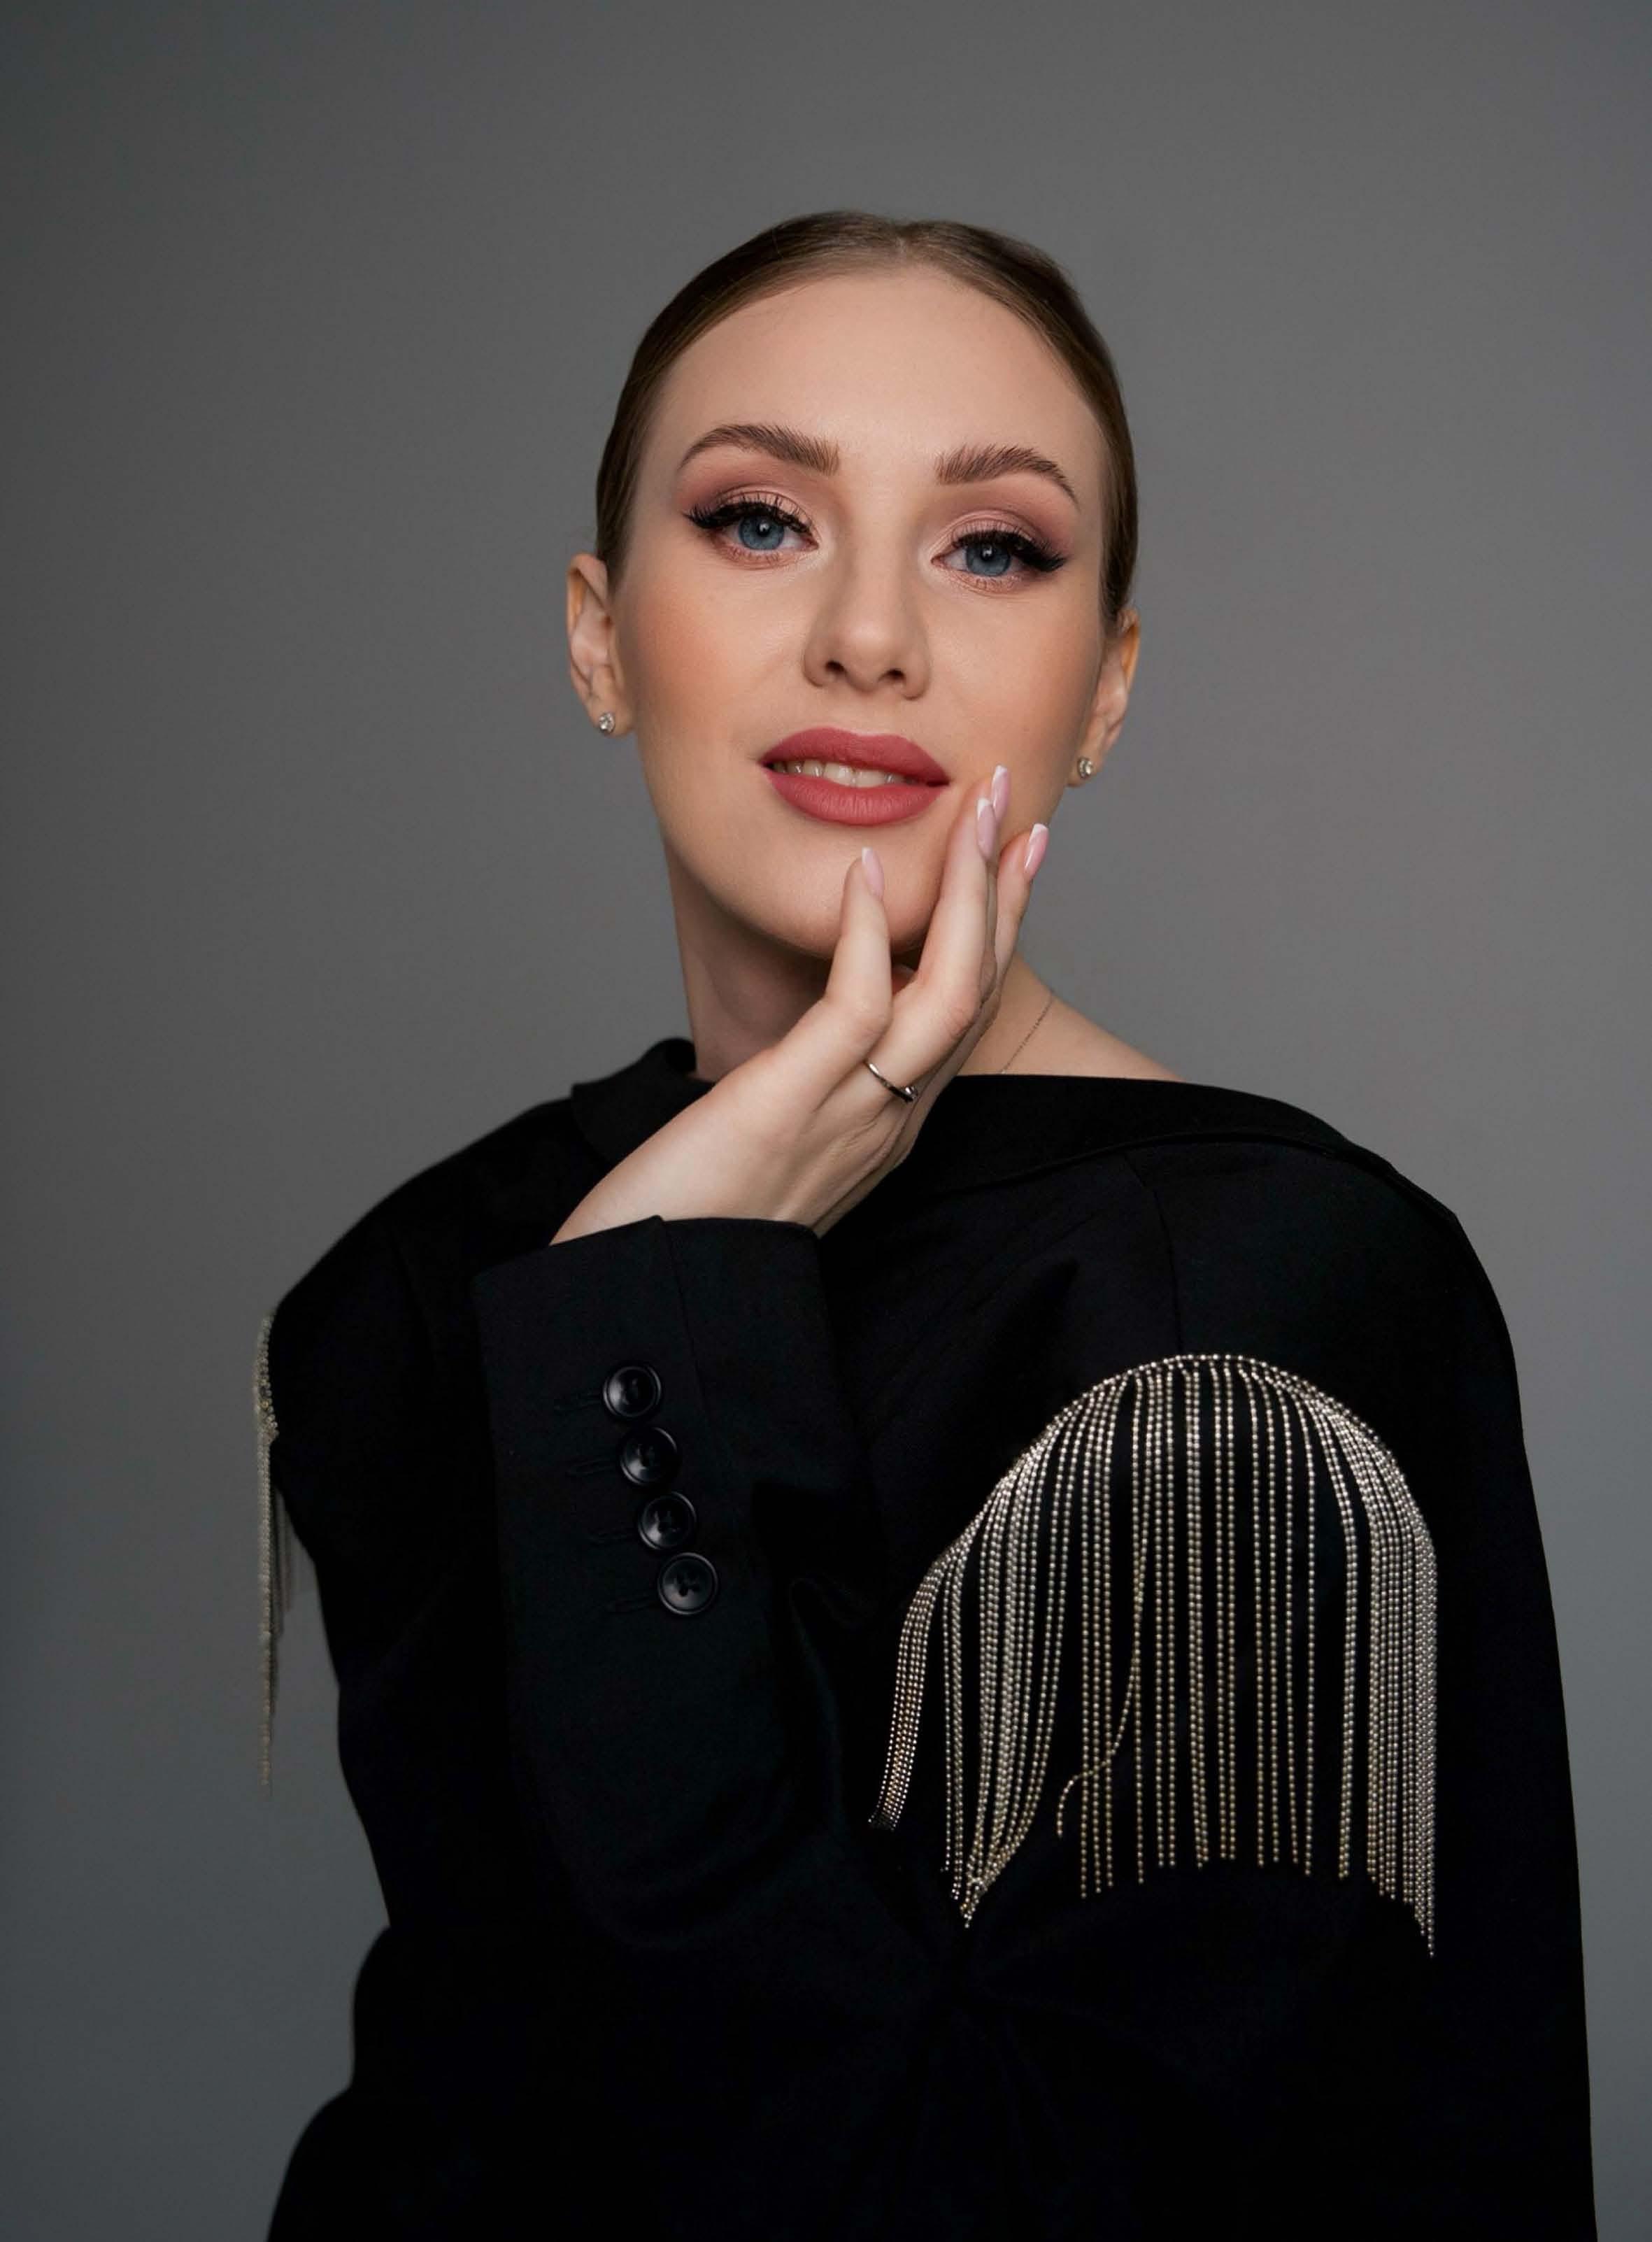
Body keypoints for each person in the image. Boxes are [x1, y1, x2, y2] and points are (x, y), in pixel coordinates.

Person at [252, 211, 1597, 2238]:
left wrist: (638, 1329)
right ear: (598, 636)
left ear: (1107, 688)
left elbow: (994, 2193)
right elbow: (461, 2121)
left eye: (992, 547)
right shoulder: (428, 1282)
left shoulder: (1245, 1309)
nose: (870, 634)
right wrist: (645, 1265)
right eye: (760, 520)